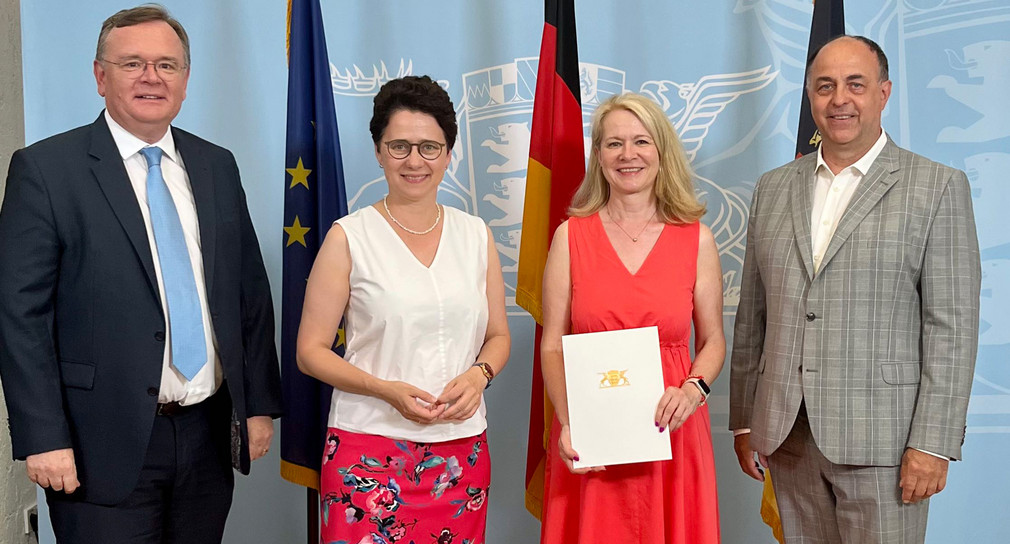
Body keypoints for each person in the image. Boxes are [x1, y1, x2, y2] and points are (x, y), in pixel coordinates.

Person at [0, 5, 282, 543]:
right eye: (133, 64)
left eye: (167, 65)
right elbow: (20, 317)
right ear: (101, 77)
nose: (152, 77)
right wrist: (42, 437)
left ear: (185, 78)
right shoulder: (46, 170)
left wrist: (258, 405)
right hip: (95, 441)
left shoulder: (216, 164)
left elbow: (248, 292)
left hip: (206, 434)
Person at [729, 35, 980, 543]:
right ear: (810, 97)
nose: (838, 99)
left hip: (886, 445)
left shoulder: (937, 186)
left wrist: (932, 442)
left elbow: (951, 327)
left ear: (883, 93)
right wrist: (743, 420)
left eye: (855, 85)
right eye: (824, 87)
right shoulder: (772, 188)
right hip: (788, 436)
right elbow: (754, 314)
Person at [296, 75, 510, 543]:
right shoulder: (348, 236)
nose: (415, 161)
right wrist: (383, 389)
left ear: (449, 153)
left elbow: (498, 336)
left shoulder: (476, 235)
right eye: (399, 147)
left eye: (429, 147)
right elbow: (310, 351)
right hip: (366, 450)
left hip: (461, 454)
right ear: (378, 151)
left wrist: (480, 376)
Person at [538, 92, 725, 544]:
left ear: (661, 152)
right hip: (591, 437)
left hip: (674, 433)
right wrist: (569, 421)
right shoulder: (570, 236)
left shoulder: (696, 239)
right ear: (598, 156)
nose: (628, 155)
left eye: (641, 142)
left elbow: (714, 339)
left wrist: (694, 389)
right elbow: (551, 343)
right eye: (613, 143)